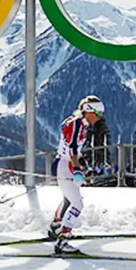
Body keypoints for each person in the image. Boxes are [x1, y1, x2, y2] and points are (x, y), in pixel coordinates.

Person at [47, 95, 105, 255]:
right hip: (64, 165)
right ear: (89, 111)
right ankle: (63, 240)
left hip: (65, 164)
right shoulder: (77, 124)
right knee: (77, 204)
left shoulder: (80, 123)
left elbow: (73, 149)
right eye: (98, 114)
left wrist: (80, 165)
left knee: (68, 199)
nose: (100, 118)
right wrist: (77, 168)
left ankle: (56, 227)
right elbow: (72, 147)